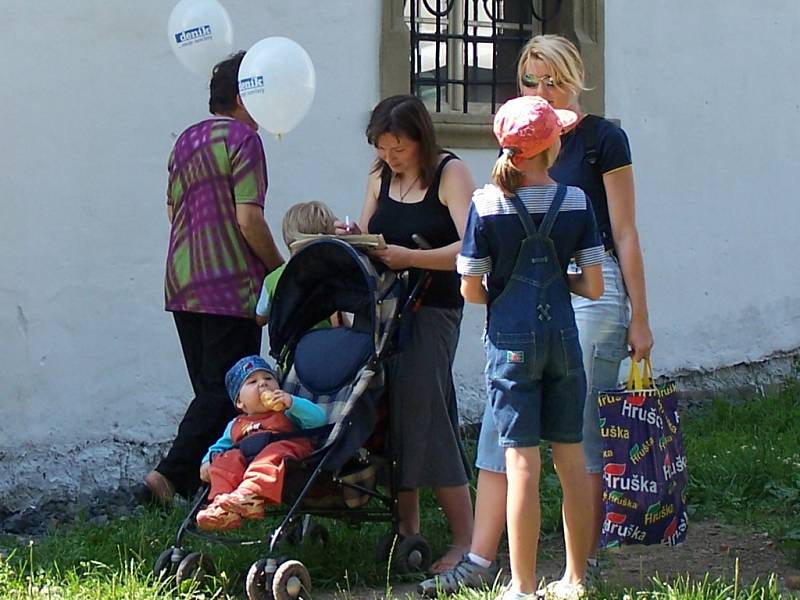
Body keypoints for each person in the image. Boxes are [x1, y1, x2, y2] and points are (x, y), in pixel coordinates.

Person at [419, 33, 654, 595]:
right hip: (541, 302)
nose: (543, 89)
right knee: (506, 435)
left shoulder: (602, 138)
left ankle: (582, 564)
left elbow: (623, 229)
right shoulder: (523, 137)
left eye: (554, 78)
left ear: (576, 76)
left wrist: (640, 316)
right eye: (532, 79)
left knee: (579, 436)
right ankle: (482, 559)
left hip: (588, 302)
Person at [455, 95, 603, 600]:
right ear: (552, 146)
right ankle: (576, 579)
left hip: (510, 341)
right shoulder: (578, 201)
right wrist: (558, 279)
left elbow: (471, 289)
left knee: (521, 464)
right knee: (571, 457)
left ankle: (521, 585)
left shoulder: (485, 203)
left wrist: (505, 292)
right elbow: (594, 287)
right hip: (563, 337)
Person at [333, 95, 475, 573]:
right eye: (382, 148)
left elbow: (472, 248)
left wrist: (411, 257)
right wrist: (355, 235)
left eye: (399, 149)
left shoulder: (449, 174)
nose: (391, 158)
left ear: (421, 139)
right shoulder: (379, 176)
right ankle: (407, 530)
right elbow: (372, 236)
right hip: (386, 306)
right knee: (396, 416)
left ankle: (465, 542)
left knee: (427, 413)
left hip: (433, 308)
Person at [138, 51, 284, 505]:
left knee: (210, 390)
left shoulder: (184, 141)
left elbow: (171, 210)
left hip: (182, 279)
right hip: (229, 286)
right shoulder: (244, 139)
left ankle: (207, 485)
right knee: (229, 392)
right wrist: (279, 269)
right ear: (244, 97)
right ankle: (168, 476)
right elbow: (248, 219)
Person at [196, 355, 326, 530]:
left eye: (268, 378)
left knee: (271, 453)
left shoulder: (288, 412)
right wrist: (207, 461)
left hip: (286, 453)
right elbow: (219, 446)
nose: (263, 384)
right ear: (240, 401)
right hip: (248, 458)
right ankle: (224, 506)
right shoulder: (235, 425)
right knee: (226, 458)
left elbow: (319, 420)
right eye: (252, 382)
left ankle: (250, 495)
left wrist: (292, 402)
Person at [255, 201, 337, 327]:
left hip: (288, 345)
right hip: (324, 342)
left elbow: (260, 319)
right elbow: (339, 323)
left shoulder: (272, 279)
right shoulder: (329, 277)